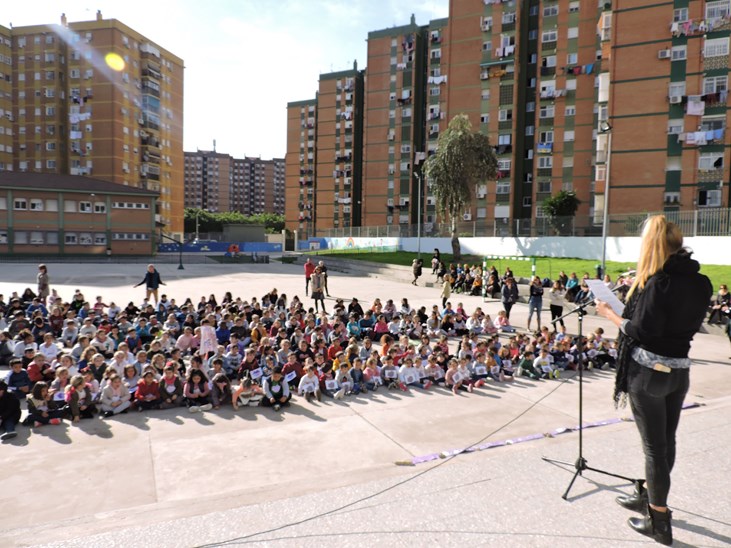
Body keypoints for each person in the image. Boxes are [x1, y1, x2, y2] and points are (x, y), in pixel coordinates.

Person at [595, 215, 712, 546]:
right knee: (666, 443)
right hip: (679, 372)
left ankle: (658, 521)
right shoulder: (701, 282)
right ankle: (648, 495)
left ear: (652, 245)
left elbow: (641, 331)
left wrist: (610, 314)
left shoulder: (658, 284)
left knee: (654, 450)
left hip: (647, 374)